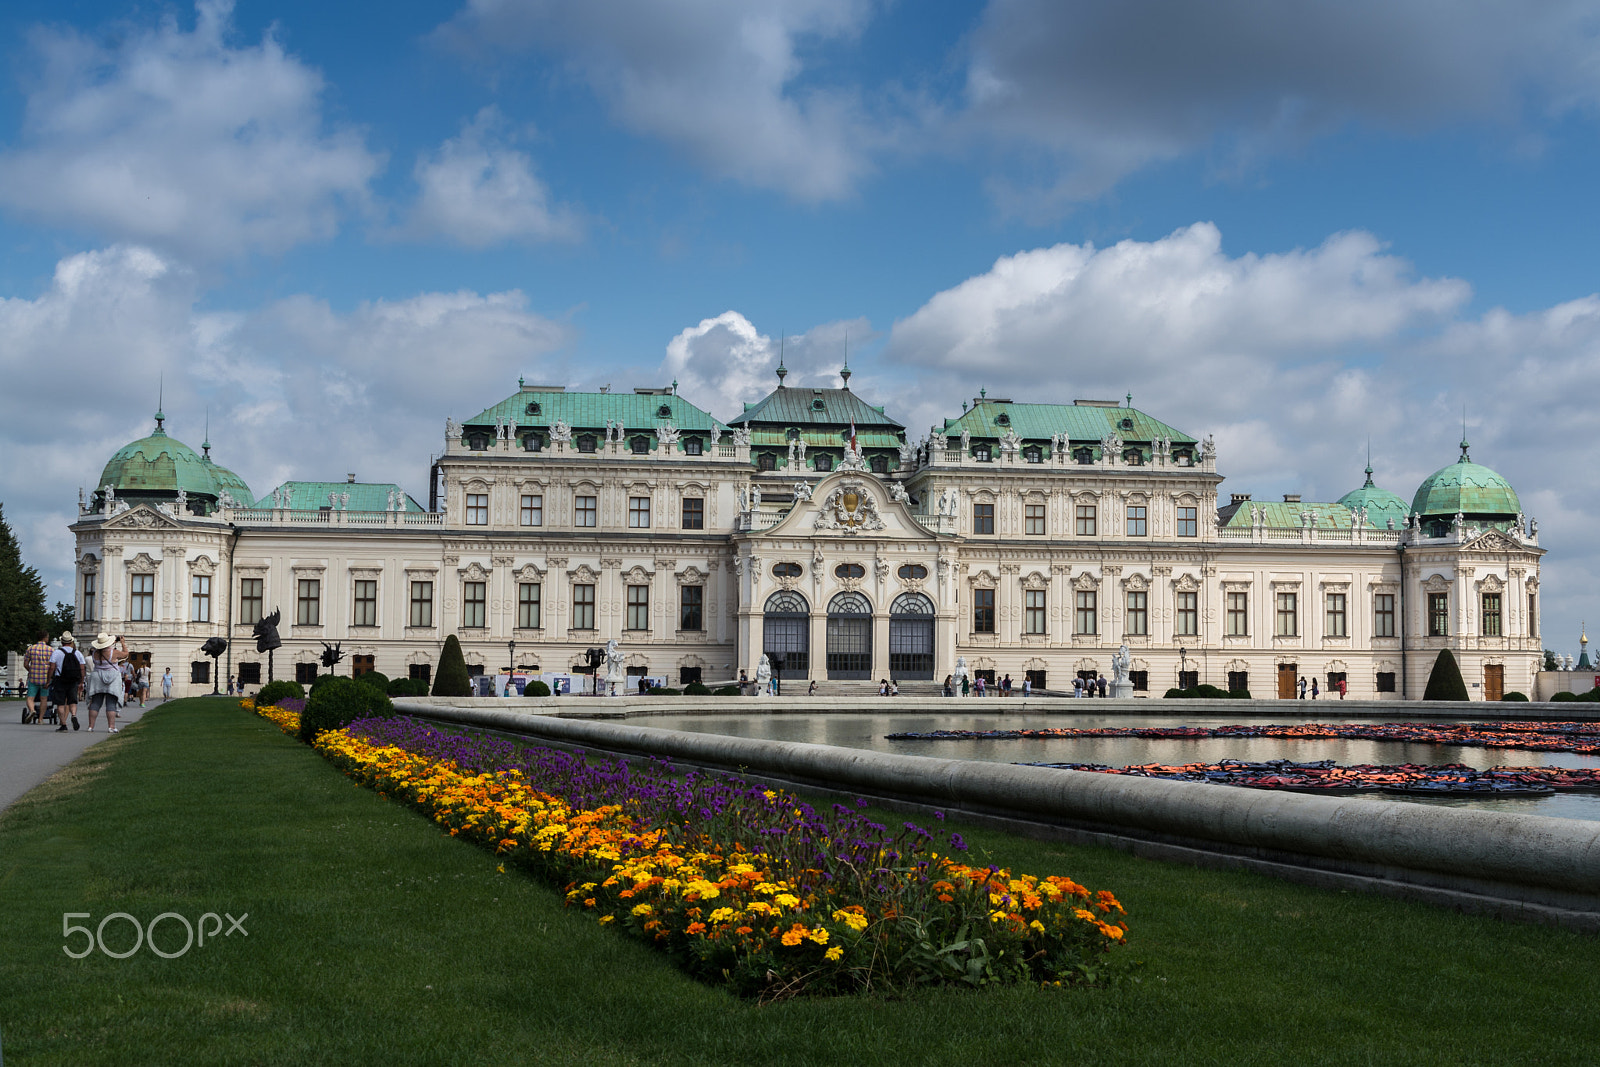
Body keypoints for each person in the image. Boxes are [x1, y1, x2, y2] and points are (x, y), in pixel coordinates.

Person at [85, 633, 127, 733]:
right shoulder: (114, 652)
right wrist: (123, 643)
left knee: (95, 703)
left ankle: (91, 726)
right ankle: (111, 727)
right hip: (112, 677)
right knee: (111, 703)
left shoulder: (94, 653)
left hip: (97, 677)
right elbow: (126, 654)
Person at [48, 632, 85, 732]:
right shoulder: (77, 653)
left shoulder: (56, 652)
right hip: (73, 680)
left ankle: (63, 724)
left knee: (60, 703)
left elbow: (51, 667)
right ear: (71, 641)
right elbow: (82, 669)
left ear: (62, 642)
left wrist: (48, 680)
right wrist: (81, 682)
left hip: (60, 679)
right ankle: (73, 715)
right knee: (72, 701)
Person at [23, 629, 52, 725]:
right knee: (44, 698)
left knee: (30, 697)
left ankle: (32, 710)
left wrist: (30, 670)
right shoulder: (50, 649)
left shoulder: (31, 648)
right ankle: (40, 719)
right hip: (45, 678)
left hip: (33, 677)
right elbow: (53, 665)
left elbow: (26, 664)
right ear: (45, 638)